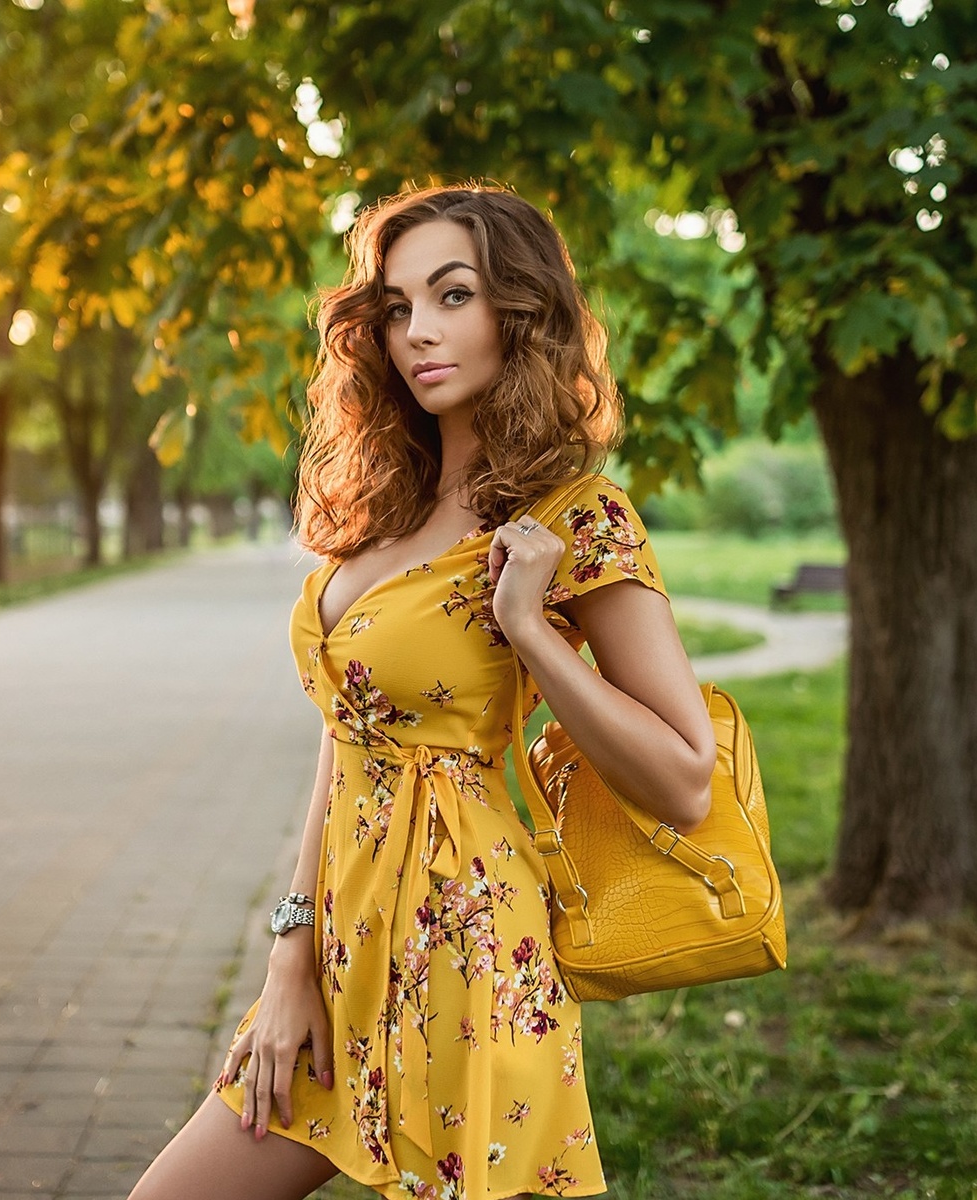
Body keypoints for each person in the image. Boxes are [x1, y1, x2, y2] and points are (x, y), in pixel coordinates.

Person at [128, 184, 715, 1200]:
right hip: (342, 949)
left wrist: (532, 630)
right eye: (397, 307)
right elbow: (346, 738)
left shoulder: (580, 520)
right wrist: (288, 958)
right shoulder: (389, 500)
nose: (417, 333)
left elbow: (686, 779)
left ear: (520, 315)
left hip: (467, 949)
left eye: (453, 296)